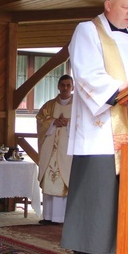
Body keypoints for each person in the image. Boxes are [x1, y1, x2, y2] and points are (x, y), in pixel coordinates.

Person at [61, 0, 128, 254]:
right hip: (101, 127)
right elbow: (86, 72)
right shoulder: (88, 31)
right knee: (100, 187)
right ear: (108, 5)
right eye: (126, 7)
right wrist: (121, 89)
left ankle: (121, 245)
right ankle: (89, 245)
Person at [35, 75, 74, 225]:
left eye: (68, 85)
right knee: (49, 180)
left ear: (72, 87)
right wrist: (53, 122)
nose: (65, 88)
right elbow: (40, 119)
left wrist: (68, 123)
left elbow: (82, 123)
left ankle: (62, 218)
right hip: (50, 149)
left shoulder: (77, 106)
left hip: (67, 152)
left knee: (64, 179)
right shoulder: (49, 105)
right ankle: (48, 217)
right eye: (62, 85)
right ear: (58, 86)